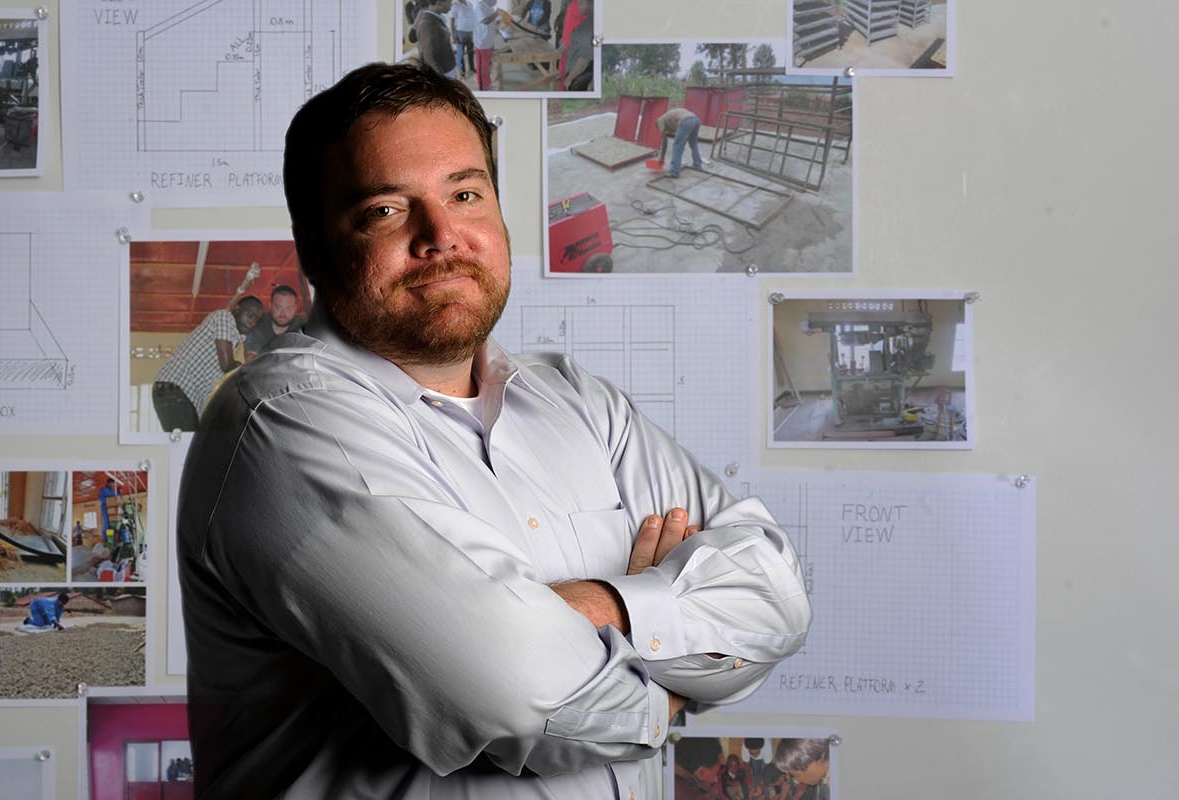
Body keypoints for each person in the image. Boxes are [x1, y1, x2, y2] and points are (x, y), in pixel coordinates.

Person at [178, 61, 810, 798]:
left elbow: (776, 593)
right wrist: (671, 682)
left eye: (466, 193)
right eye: (386, 210)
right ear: (313, 247)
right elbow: (522, 701)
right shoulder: (280, 424)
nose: (442, 235)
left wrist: (604, 607)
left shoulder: (578, 401)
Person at [152, 293, 262, 432]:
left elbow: (213, 383)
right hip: (174, 390)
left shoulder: (234, 342)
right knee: (187, 446)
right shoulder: (224, 317)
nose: (252, 322)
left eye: (256, 320)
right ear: (237, 309)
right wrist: (254, 373)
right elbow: (227, 366)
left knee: (189, 447)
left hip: (181, 395)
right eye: (250, 315)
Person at [241, 285, 304, 359]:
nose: (283, 313)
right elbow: (251, 358)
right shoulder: (258, 325)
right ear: (270, 305)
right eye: (278, 307)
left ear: (295, 308)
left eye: (288, 308)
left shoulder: (304, 327)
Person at [657, 106, 705, 178]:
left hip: (686, 121)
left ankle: (675, 172)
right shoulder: (667, 118)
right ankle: (697, 164)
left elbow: (665, 141)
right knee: (693, 143)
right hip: (696, 119)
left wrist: (662, 157)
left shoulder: (659, 122)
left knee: (677, 146)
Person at [413, 0, 457, 79]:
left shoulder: (436, 18)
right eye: (449, 2)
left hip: (446, 69)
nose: (451, 5)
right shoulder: (428, 23)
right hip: (442, 73)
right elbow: (429, 57)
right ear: (439, 2)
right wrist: (439, 79)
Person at [472, 0, 501, 91]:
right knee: (483, 67)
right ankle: (483, 88)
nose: (496, 1)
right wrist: (496, 14)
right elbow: (485, 21)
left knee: (488, 66)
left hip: (489, 42)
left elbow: (491, 21)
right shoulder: (480, 6)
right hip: (482, 43)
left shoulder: (490, 7)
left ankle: (487, 84)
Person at [449, 0, 477, 76]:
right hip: (460, 32)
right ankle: (462, 71)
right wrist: (453, 35)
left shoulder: (469, 3)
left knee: (470, 52)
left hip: (470, 31)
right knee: (460, 53)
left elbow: (473, 17)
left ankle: (471, 68)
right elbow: (452, 20)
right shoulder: (455, 5)